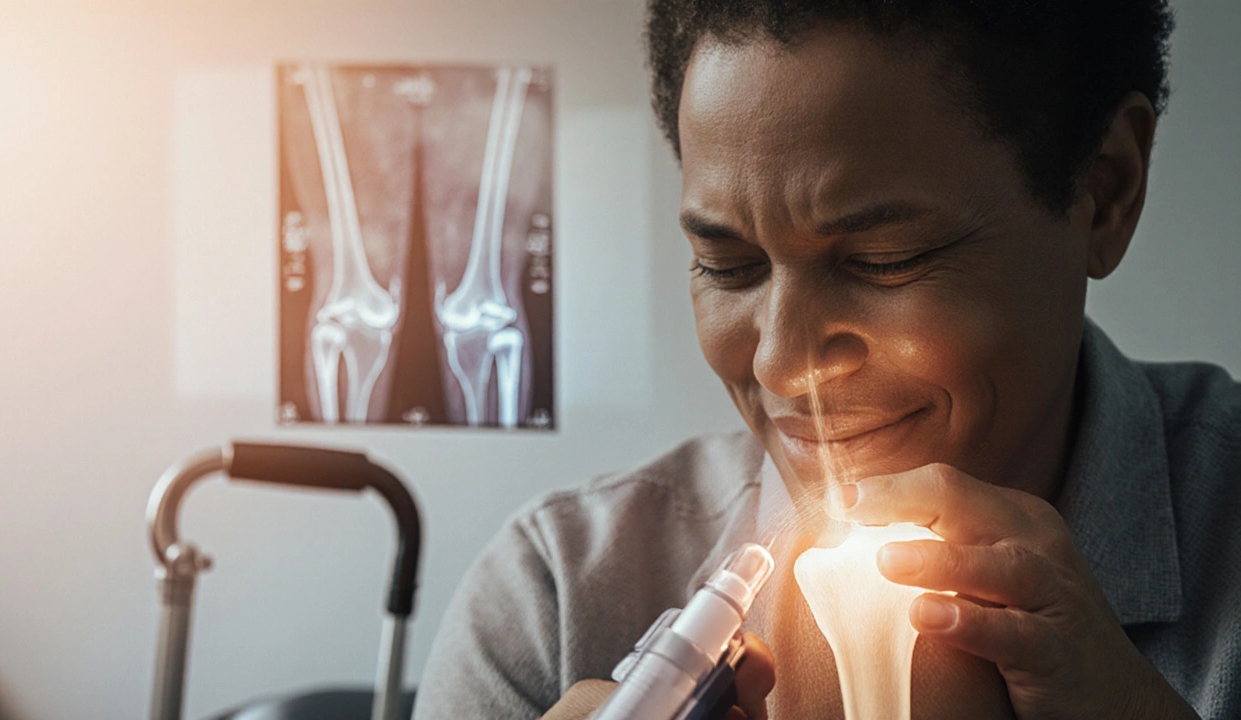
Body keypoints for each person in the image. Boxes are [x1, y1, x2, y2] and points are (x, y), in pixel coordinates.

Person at [414, 1, 1240, 718]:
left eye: (883, 261)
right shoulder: (551, 600)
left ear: (1106, 190)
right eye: (729, 267)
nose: (782, 366)